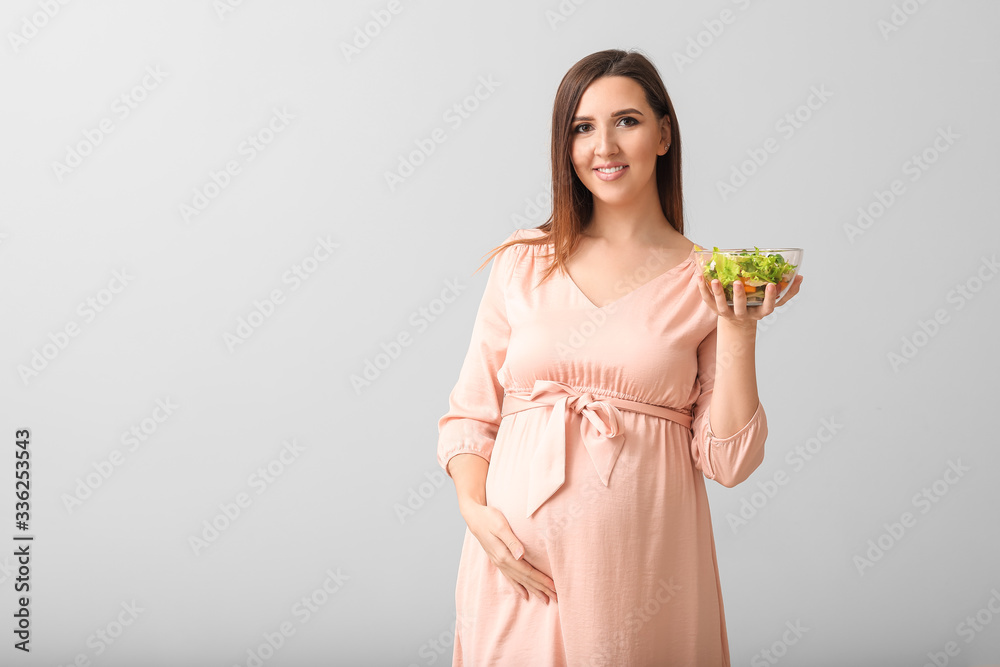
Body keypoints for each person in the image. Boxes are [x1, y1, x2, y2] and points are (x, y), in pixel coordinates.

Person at [436, 48, 803, 666]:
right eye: (582, 127)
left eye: (626, 121)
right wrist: (476, 514)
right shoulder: (523, 261)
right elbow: (471, 417)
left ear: (663, 134)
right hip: (517, 573)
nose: (603, 146)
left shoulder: (707, 279)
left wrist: (739, 327)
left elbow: (730, 460)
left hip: (642, 580)